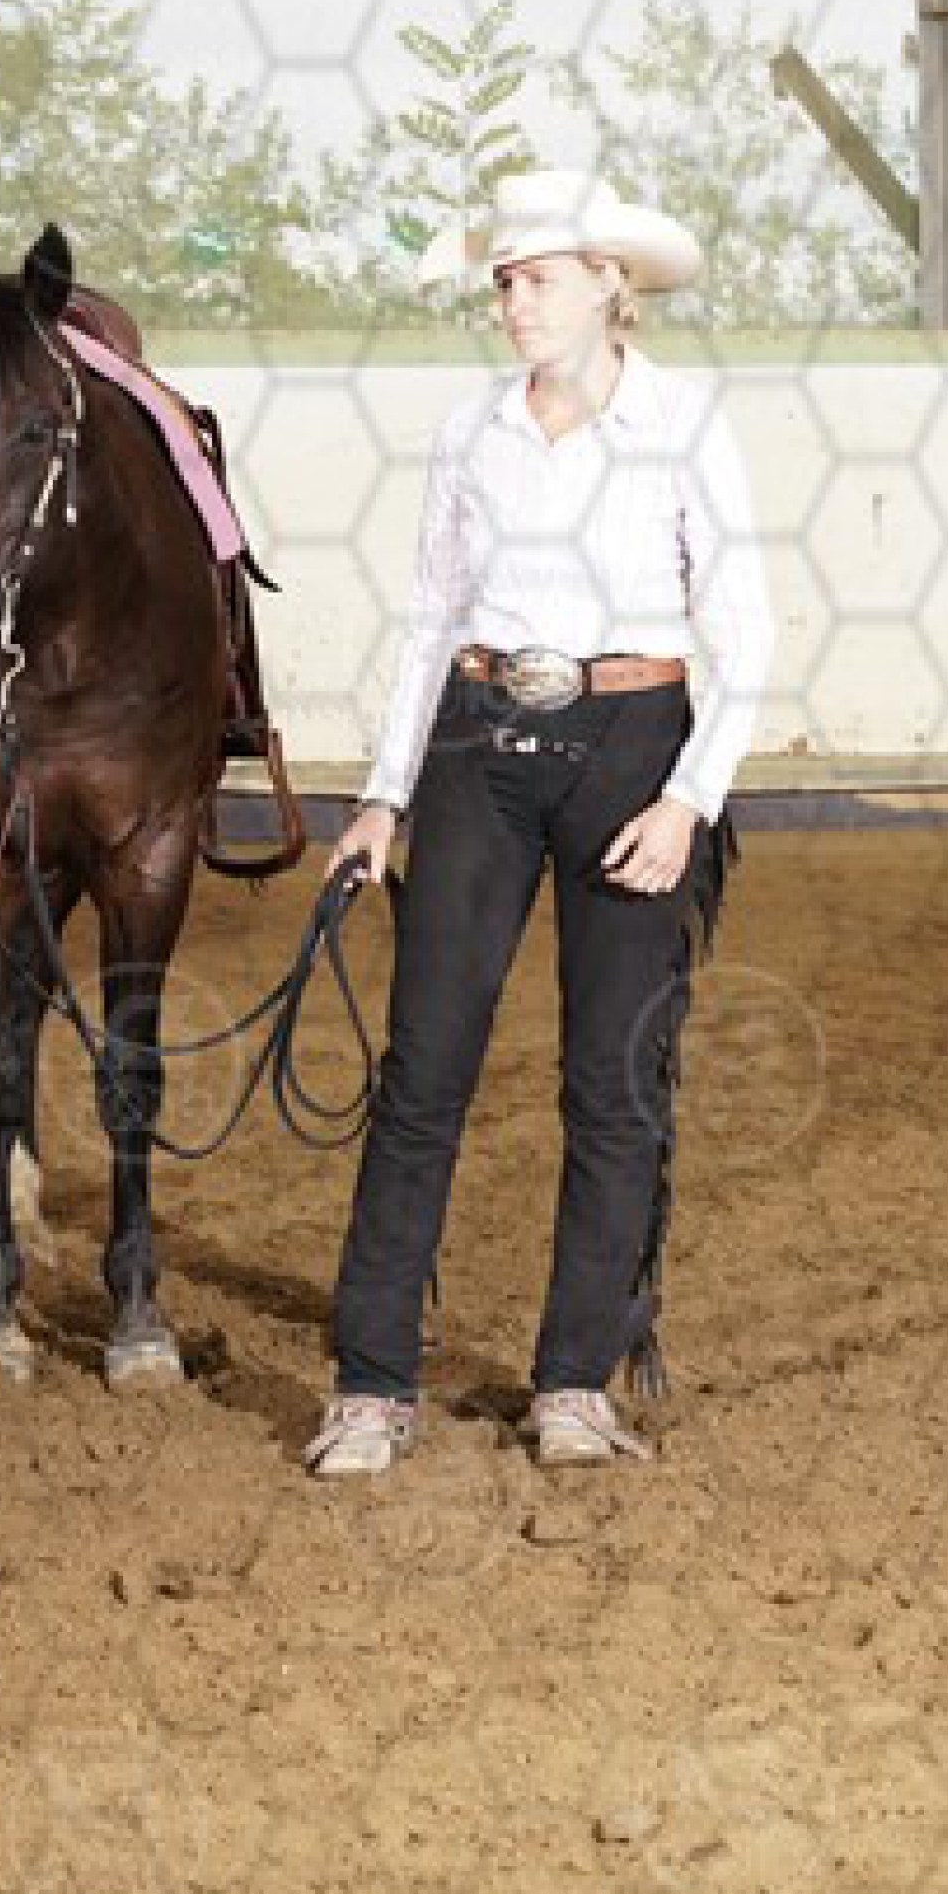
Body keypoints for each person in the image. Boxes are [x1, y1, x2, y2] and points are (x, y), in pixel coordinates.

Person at [305, 166, 776, 1476]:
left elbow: (746, 633)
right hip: (479, 744)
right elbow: (428, 621)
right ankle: (370, 1382)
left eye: (539, 278)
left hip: (634, 750)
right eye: (505, 281)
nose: (514, 301)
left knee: (612, 1082)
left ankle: (575, 1381)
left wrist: (689, 800)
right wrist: (384, 794)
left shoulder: (687, 425)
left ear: (608, 284)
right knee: (424, 1069)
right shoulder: (471, 433)